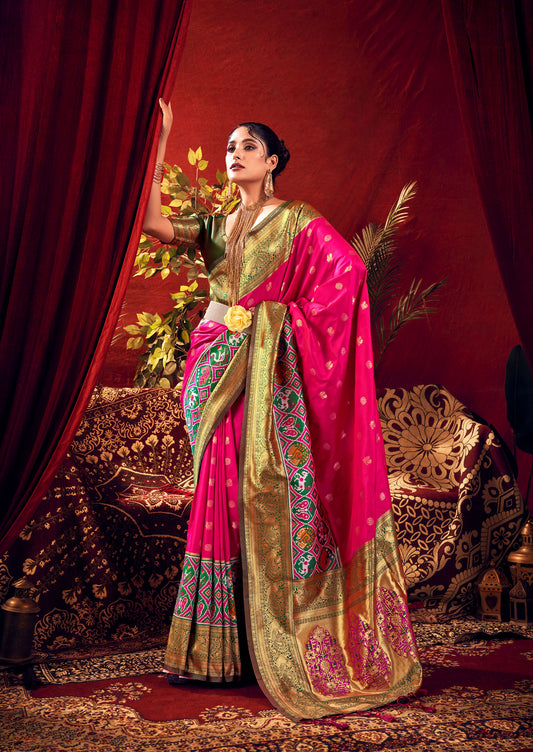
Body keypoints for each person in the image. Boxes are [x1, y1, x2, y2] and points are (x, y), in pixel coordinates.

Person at [143, 99, 422, 721]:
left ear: (272, 162)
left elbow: (348, 275)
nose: (234, 153)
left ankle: (257, 641)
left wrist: (274, 324)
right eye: (230, 146)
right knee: (218, 492)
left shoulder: (298, 220)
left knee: (252, 492)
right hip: (212, 366)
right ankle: (216, 648)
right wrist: (160, 144)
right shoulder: (218, 225)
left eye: (248, 146)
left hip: (263, 370)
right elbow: (154, 225)